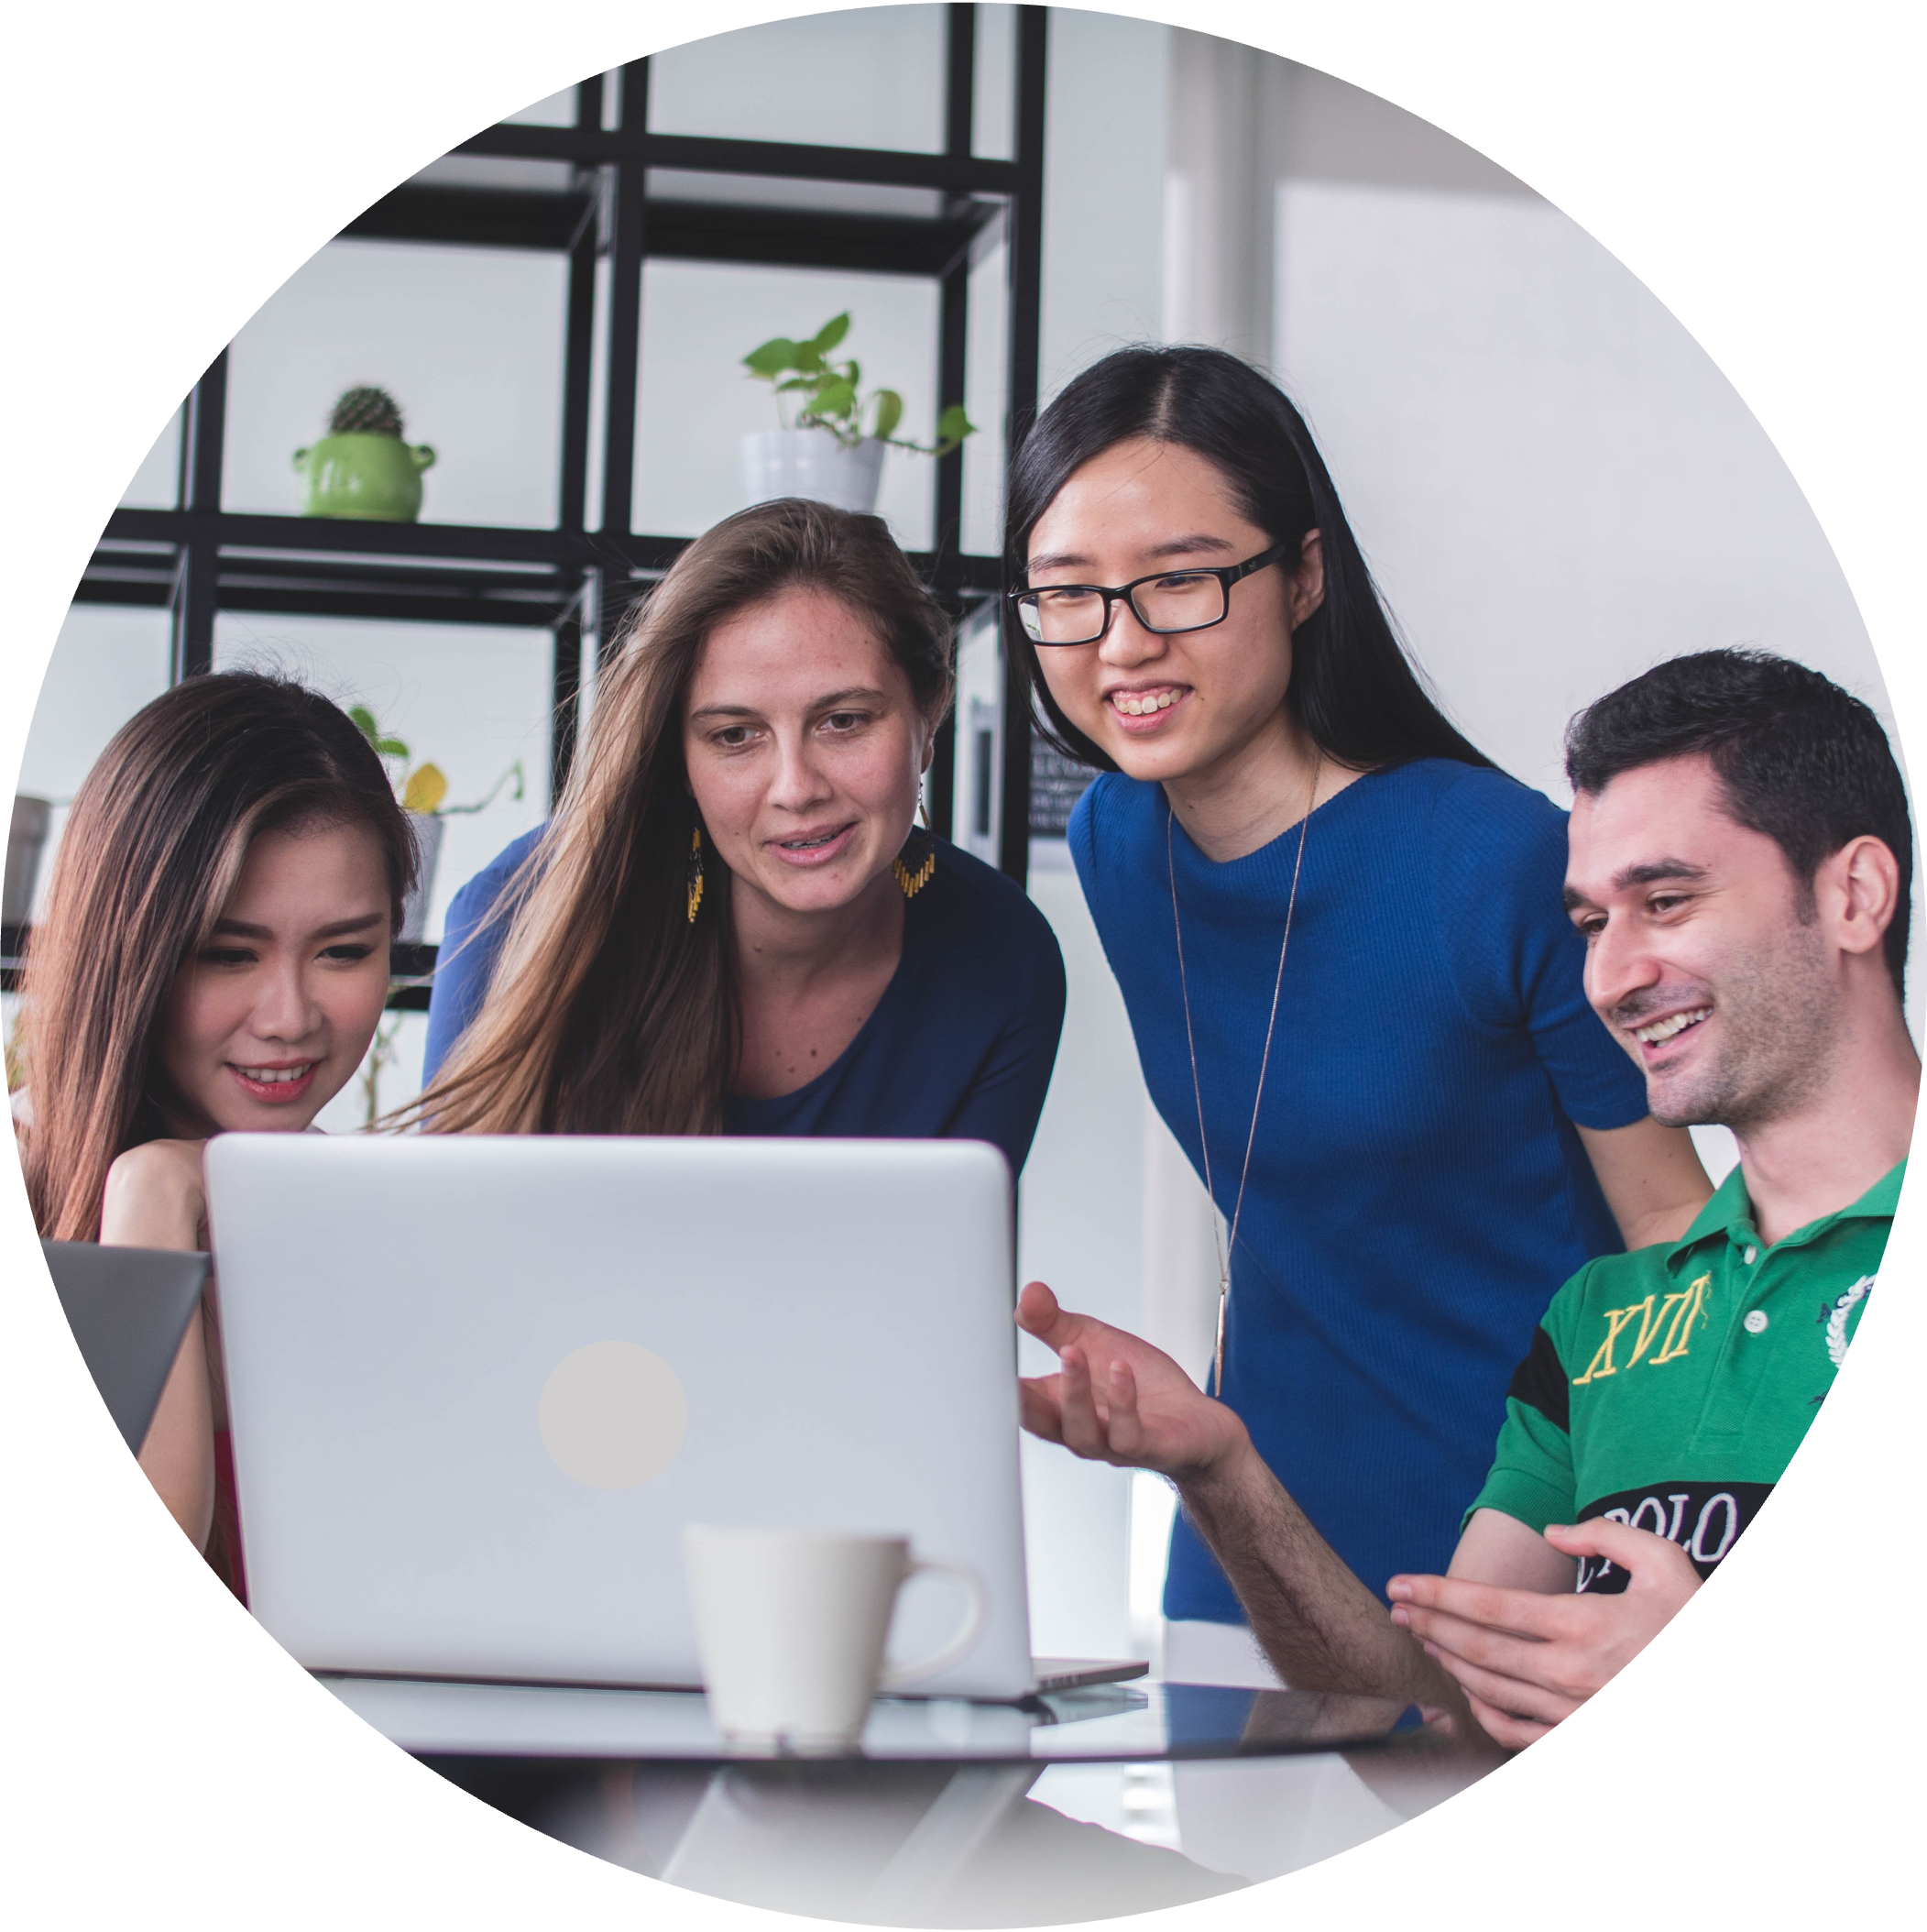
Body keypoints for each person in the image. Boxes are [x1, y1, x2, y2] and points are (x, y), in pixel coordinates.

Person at [1017, 648, 1922, 1754]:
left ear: (1853, 893)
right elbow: (1444, 1733)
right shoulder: (1605, 1319)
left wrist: (1717, 1676)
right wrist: (1223, 1472)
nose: (1612, 975)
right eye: (1592, 923)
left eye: (1668, 900)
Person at [1005, 345, 1712, 1666]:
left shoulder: (1492, 860)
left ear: (1304, 573)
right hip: (1246, 1555)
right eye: (1069, 596)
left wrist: (1660, 1549)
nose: (1122, 643)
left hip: (1513, 1558)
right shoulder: (1115, 841)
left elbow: (1667, 1228)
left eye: (1180, 580)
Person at [14, 671, 416, 1929]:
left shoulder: (364, 1243)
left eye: (343, 952)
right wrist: (150, 1201)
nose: (290, 1018)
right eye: (225, 955)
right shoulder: (25, 1193)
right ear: (128, 948)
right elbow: (106, 1630)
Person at [417, 499, 1065, 1173]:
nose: (795, 787)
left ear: (927, 717)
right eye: (734, 735)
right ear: (680, 758)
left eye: (843, 720)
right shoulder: (522, 912)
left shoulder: (1005, 960)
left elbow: (945, 1268)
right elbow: (455, 1250)